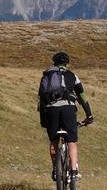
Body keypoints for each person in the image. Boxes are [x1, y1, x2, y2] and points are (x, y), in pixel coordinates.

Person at [38, 51, 94, 181]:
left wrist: (43, 120)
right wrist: (89, 115)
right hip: (68, 109)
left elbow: (41, 99)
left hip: (51, 111)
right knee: (71, 140)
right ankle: (74, 171)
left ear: (54, 63)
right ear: (67, 63)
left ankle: (55, 170)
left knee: (53, 141)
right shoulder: (72, 76)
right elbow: (82, 97)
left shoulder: (46, 76)